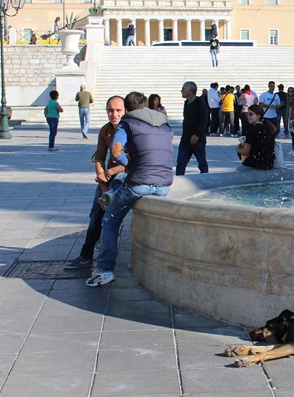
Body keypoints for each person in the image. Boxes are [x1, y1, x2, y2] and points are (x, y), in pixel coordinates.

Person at [86, 91, 173, 287]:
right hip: (165, 184)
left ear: (127, 109)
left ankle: (104, 270)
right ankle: (111, 192)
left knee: (109, 221)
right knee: (121, 182)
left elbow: (116, 151)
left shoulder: (127, 123)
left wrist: (128, 163)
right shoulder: (164, 124)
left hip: (140, 184)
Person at [64, 96, 126, 270]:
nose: (114, 114)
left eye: (118, 110)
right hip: (108, 178)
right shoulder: (105, 130)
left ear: (125, 111)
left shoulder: (131, 130)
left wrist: (112, 171)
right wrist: (102, 178)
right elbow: (99, 157)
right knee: (95, 215)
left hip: (128, 176)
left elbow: (134, 162)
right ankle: (86, 255)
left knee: (114, 219)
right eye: (110, 110)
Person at [176, 81, 209, 175]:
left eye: (183, 89)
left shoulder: (200, 102)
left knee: (202, 163)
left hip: (198, 139)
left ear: (190, 90)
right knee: (181, 163)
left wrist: (197, 134)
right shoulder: (186, 103)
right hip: (185, 139)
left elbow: (204, 120)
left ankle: (206, 181)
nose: (181, 91)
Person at [237, 104, 277, 169]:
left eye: (251, 114)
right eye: (247, 114)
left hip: (256, 164)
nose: (248, 116)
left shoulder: (253, 129)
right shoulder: (268, 127)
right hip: (269, 164)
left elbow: (245, 152)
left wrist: (237, 148)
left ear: (258, 116)